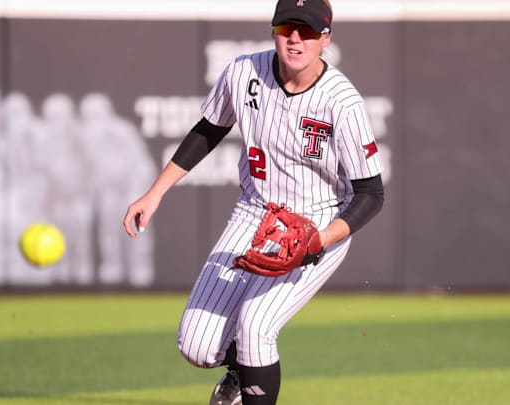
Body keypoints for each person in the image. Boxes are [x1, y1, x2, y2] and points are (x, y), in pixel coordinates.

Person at [123, 1, 384, 404]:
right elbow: (209, 130)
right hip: (254, 212)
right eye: (287, 28)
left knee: (256, 326)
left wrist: (318, 240)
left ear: (325, 39)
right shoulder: (244, 72)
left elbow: (370, 194)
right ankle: (242, 374)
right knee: (196, 346)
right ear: (274, 30)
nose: (296, 38)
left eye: (308, 31)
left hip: (316, 222)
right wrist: (155, 192)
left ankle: (252, 377)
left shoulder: (342, 103)